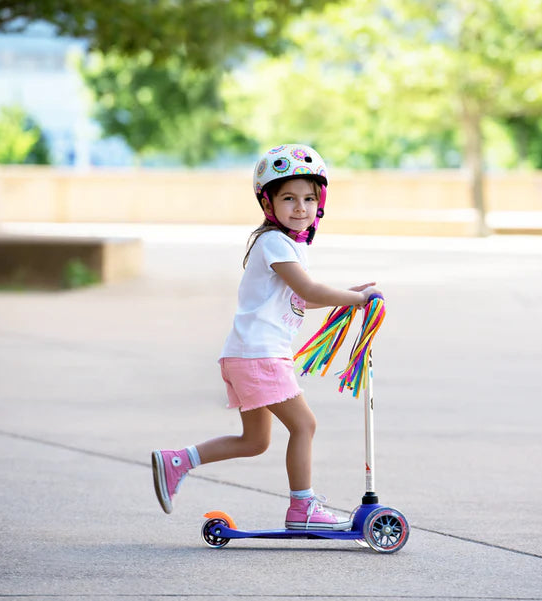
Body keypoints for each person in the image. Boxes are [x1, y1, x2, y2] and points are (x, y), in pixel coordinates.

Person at [152, 144, 381, 530]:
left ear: (319, 203)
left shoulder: (287, 245)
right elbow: (309, 291)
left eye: (309, 198)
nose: (300, 207)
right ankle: (302, 509)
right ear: (268, 203)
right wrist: (357, 298)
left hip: (246, 354)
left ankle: (178, 460)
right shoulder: (274, 242)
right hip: (261, 355)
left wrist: (349, 296)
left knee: (255, 441)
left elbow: (296, 300)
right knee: (304, 425)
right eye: (288, 198)